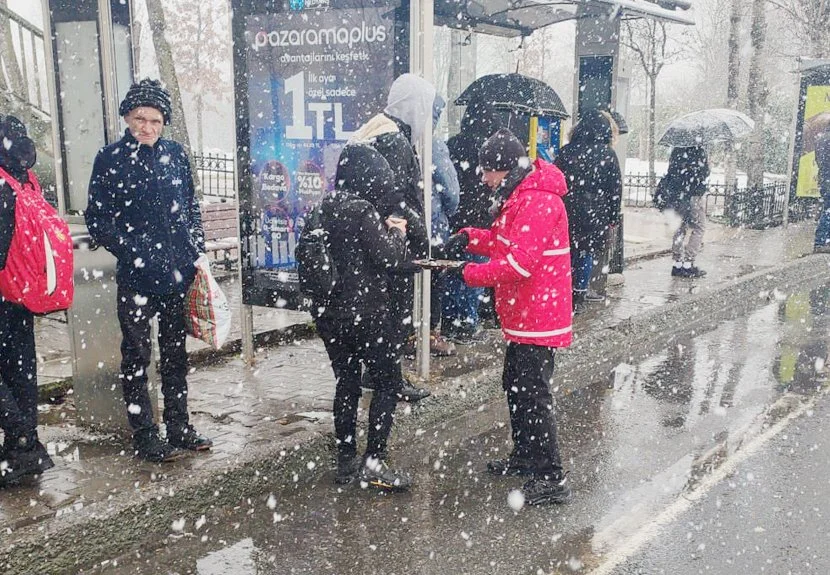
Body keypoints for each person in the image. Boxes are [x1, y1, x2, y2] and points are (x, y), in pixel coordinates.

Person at [86, 79, 212, 463]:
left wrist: (195, 248)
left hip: (177, 274)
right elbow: (97, 219)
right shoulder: (110, 159)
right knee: (137, 357)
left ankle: (179, 426)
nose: (147, 127)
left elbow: (190, 207)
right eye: (141, 119)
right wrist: (134, 253)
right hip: (137, 277)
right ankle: (145, 435)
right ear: (128, 117)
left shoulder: (175, 155)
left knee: (175, 356)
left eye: (155, 121)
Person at [446, 129, 573, 505]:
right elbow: (505, 243)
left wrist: (468, 273)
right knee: (516, 385)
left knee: (533, 395)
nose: (483, 178)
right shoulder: (520, 194)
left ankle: (550, 477)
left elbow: (519, 263)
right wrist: (470, 237)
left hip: (538, 317)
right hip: (524, 314)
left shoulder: (538, 201)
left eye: (487, 171)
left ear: (504, 169)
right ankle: (525, 455)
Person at [316, 143, 414, 491]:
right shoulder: (361, 210)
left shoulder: (323, 207)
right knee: (387, 383)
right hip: (367, 314)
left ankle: (346, 460)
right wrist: (397, 232)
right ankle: (374, 462)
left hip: (330, 315)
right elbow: (390, 258)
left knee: (346, 382)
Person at [352, 73, 434, 402]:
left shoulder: (371, 131)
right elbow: (397, 198)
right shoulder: (395, 141)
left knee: (380, 309)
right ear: (412, 105)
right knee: (395, 311)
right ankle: (389, 378)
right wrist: (420, 235)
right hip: (394, 240)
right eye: (424, 106)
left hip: (372, 237)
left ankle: (375, 371)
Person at [0, 115, 55, 485]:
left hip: (4, 286)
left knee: (13, 371)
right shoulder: (25, 176)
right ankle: (21, 451)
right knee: (21, 369)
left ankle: (24, 442)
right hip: (21, 289)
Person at [554, 109, 622, 314]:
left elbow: (556, 180)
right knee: (586, 253)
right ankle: (579, 295)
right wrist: (613, 216)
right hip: (596, 212)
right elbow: (615, 188)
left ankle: (563, 291)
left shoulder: (566, 151)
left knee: (567, 252)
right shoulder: (608, 154)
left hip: (568, 209)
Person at [444, 103, 502, 342]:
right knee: (475, 272)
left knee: (452, 269)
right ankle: (468, 323)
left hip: (455, 217)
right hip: (480, 218)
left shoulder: (452, 144)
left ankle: (450, 322)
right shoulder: (489, 148)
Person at [429, 95, 460, 356]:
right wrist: (446, 212)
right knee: (434, 280)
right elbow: (451, 190)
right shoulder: (434, 145)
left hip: (400, 227)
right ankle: (429, 334)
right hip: (432, 226)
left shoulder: (393, 137)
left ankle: (407, 335)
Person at [663, 145, 710, 277]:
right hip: (693, 195)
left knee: (680, 227)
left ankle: (677, 264)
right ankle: (688, 263)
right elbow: (703, 173)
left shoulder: (677, 150)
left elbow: (671, 172)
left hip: (677, 196)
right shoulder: (698, 151)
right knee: (699, 227)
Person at [812, 129, 830, 253]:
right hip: (827, 177)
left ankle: (822, 240)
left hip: (824, 178)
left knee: (827, 208)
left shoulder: (822, 137)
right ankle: (821, 241)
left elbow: (819, 160)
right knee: (828, 210)